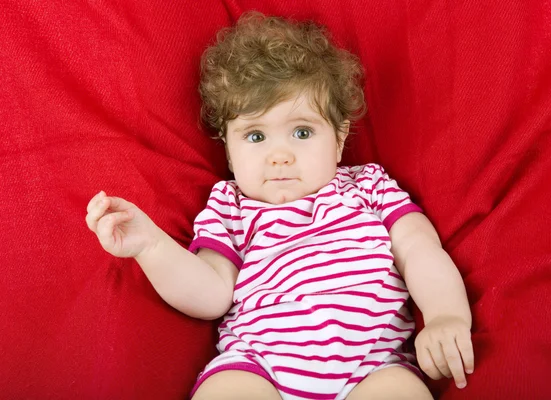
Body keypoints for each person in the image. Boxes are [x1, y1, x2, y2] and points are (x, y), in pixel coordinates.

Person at [85, 11, 473, 400]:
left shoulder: (369, 186)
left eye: (301, 132)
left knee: (402, 394)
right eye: (255, 136)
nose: (279, 155)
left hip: (373, 367)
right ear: (230, 151)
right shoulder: (229, 207)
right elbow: (212, 293)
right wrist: (152, 247)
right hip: (261, 368)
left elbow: (421, 249)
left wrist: (444, 315)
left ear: (338, 140)